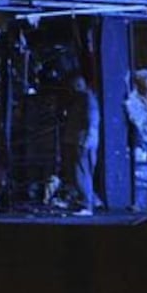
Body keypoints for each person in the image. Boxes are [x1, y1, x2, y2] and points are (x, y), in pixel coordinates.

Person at [61, 73, 100, 213]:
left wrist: (86, 140)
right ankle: (84, 201)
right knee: (79, 173)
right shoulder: (80, 99)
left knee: (81, 173)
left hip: (82, 142)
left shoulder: (87, 99)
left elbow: (92, 121)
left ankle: (86, 204)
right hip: (77, 140)